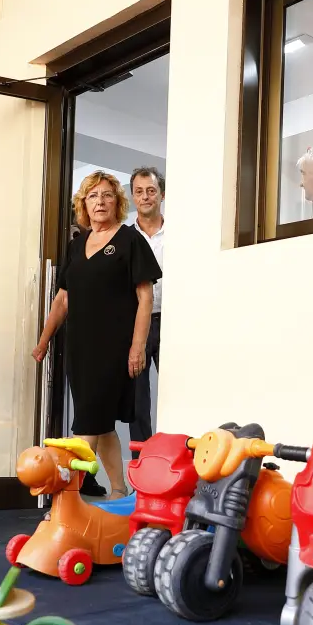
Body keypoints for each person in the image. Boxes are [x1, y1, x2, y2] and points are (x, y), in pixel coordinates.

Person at [32, 171, 162, 500]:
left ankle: (65, 497)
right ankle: (119, 490)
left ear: (117, 202)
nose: (100, 202)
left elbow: (145, 297)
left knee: (88, 421)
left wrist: (137, 347)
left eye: (107, 195)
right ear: (84, 204)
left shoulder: (130, 240)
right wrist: (44, 340)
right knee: (101, 423)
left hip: (114, 347)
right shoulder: (77, 245)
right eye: (93, 196)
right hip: (79, 348)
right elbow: (63, 299)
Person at [127, 166, 165, 458]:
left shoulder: (180, 234)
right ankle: (143, 466)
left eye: (151, 190)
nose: (145, 197)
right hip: (137, 324)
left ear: (161, 195)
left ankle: (175, 462)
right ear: (132, 197)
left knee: (176, 394)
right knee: (138, 404)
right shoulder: (126, 238)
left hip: (172, 322)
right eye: (139, 192)